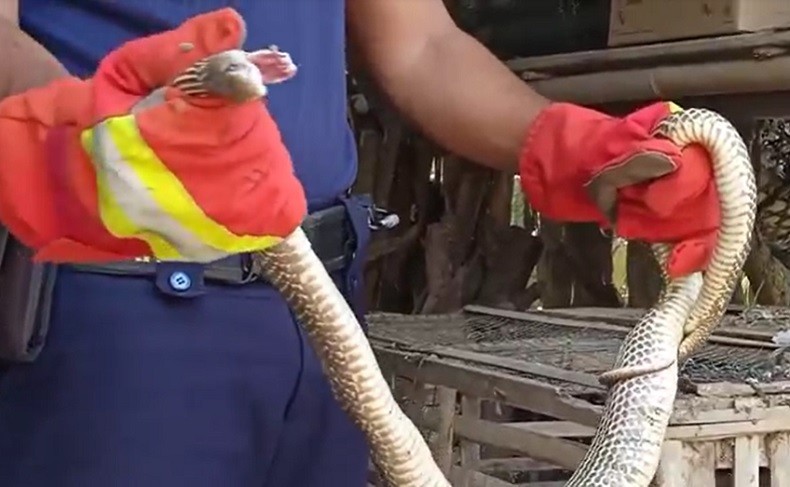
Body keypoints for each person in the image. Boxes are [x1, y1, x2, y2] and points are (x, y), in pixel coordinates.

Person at [0, 2, 719, 487]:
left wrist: (575, 147)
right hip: (122, 303)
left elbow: (422, 46)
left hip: (319, 310)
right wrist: (115, 132)